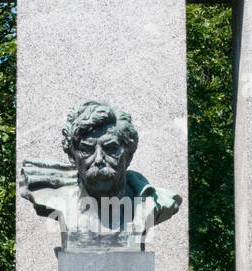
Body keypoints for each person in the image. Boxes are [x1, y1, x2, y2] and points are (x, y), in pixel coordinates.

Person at [19, 100, 181, 248]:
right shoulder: (49, 195)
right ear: (72, 156)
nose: (98, 160)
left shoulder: (156, 202)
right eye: (87, 149)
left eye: (110, 148)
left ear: (129, 154)